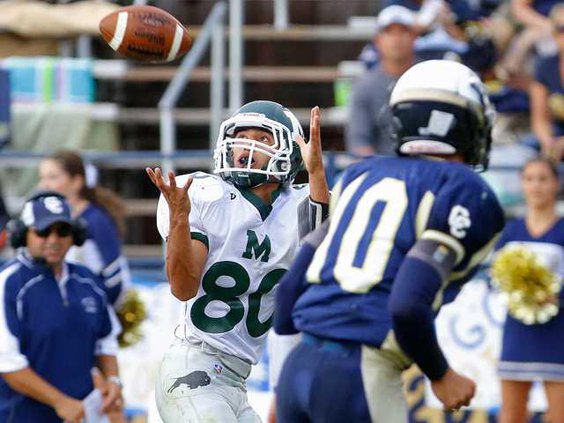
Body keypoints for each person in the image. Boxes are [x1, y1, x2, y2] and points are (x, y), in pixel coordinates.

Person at [273, 60, 506, 423]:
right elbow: (407, 305)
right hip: (361, 373)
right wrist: (441, 374)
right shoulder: (466, 190)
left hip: (298, 366)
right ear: (463, 123)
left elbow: (288, 293)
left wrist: (291, 376)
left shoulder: (360, 174)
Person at [146, 100, 330, 422]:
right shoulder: (207, 196)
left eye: (262, 139)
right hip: (193, 369)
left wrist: (315, 172)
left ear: (289, 150)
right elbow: (183, 287)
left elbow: (320, 251)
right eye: (241, 135)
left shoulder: (298, 205)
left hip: (236, 380)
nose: (247, 145)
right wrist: (179, 220)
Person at [0, 191, 123, 422]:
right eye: (43, 231)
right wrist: (60, 402)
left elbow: (105, 341)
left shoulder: (88, 281)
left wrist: (113, 381)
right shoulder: (8, 283)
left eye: (63, 231)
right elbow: (7, 362)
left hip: (79, 415)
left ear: (75, 235)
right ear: (22, 234)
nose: (53, 239)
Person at [495, 158, 564, 423]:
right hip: (518, 330)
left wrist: (554, 297)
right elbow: (496, 279)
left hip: (557, 332)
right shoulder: (510, 231)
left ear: (556, 184)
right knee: (511, 415)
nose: (536, 186)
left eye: (543, 179)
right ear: (522, 184)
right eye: (530, 179)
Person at [38, 150, 131, 306]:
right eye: (42, 178)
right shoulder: (43, 220)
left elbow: (114, 276)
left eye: (53, 177)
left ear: (77, 181)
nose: (44, 185)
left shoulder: (95, 219)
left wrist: (97, 311)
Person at [345, 5, 418, 157]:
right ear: (378, 40)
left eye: (403, 32)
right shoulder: (364, 86)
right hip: (380, 172)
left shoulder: (430, 79)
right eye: (389, 32)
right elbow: (359, 143)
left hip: (429, 169)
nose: (396, 39)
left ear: (414, 37)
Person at [529, 3, 564, 161]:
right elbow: (539, 118)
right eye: (561, 29)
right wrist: (547, 141)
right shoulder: (545, 65)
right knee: (525, 149)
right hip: (556, 136)